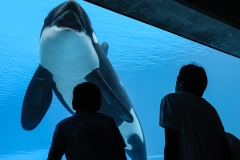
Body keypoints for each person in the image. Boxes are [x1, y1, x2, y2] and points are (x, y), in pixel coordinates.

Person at [159, 62, 231, 160]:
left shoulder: (171, 100)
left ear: (180, 83)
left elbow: (171, 145)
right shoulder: (211, 110)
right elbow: (225, 150)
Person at [47, 82, 127, 160]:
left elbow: (54, 155)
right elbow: (120, 151)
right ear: (99, 103)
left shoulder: (63, 126)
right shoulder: (108, 121)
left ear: (73, 103)